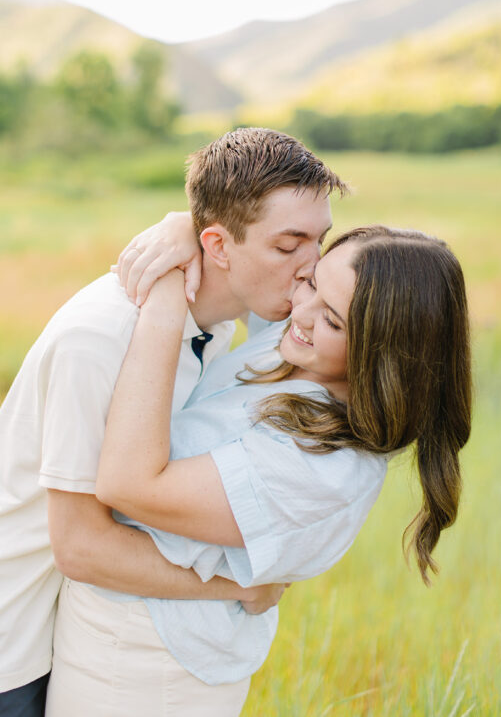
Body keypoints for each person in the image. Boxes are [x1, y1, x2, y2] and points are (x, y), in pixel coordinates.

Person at [45, 225, 471, 715]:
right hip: (111, 623)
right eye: (312, 281)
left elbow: (127, 485)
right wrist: (186, 228)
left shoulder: (321, 466)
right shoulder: (302, 348)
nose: (301, 310)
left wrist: (165, 296)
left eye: (332, 320)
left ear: (384, 354)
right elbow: (243, 255)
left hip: (147, 663)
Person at [0, 127, 342, 716]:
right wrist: (235, 587)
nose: (313, 269)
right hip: (17, 644)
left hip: (80, 629)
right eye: (288, 247)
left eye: (320, 242)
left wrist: (181, 224)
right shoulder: (100, 339)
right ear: (217, 244)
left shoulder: (227, 320)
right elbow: (79, 546)